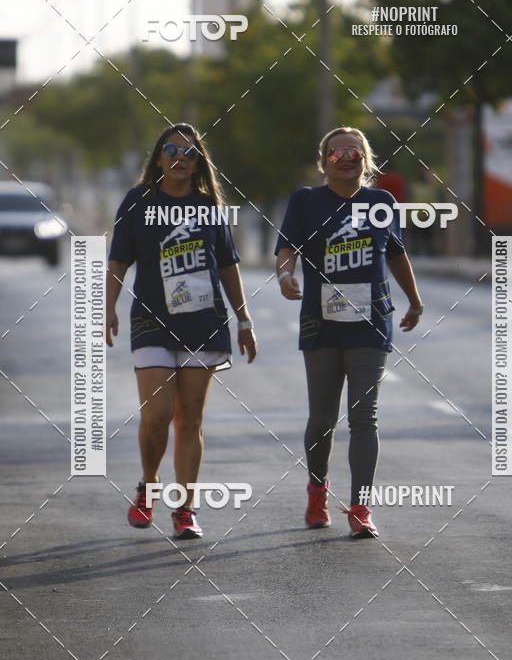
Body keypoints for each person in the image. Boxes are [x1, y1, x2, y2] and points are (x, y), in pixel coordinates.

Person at [106, 123, 256, 539]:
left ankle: (185, 509)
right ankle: (148, 484)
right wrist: (108, 309)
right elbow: (119, 261)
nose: (179, 158)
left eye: (189, 154)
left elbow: (227, 265)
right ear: (158, 158)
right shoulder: (137, 201)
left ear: (197, 164)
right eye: (171, 150)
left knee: (189, 419)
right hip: (151, 321)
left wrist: (244, 320)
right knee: (156, 416)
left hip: (203, 322)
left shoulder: (209, 207)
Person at [275, 127, 422, 538]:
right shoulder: (306, 201)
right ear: (324, 161)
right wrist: (285, 274)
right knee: (322, 419)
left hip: (371, 321)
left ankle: (360, 507)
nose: (346, 156)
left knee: (364, 417)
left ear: (365, 158)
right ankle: (318, 491)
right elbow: (286, 248)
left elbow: (395, 253)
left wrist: (414, 298)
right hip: (319, 322)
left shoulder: (381, 202)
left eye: (354, 150)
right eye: (336, 151)